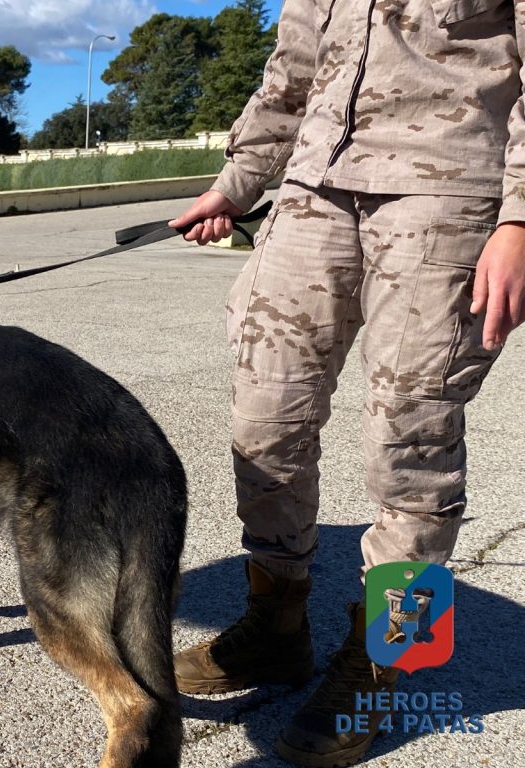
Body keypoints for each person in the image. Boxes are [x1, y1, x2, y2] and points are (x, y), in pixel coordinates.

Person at [169, 0, 525, 765]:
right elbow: (292, 73)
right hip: (314, 182)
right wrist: (236, 184)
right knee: (265, 419)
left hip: (451, 183)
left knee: (412, 442)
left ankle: (388, 662)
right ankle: (277, 623)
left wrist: (521, 219)